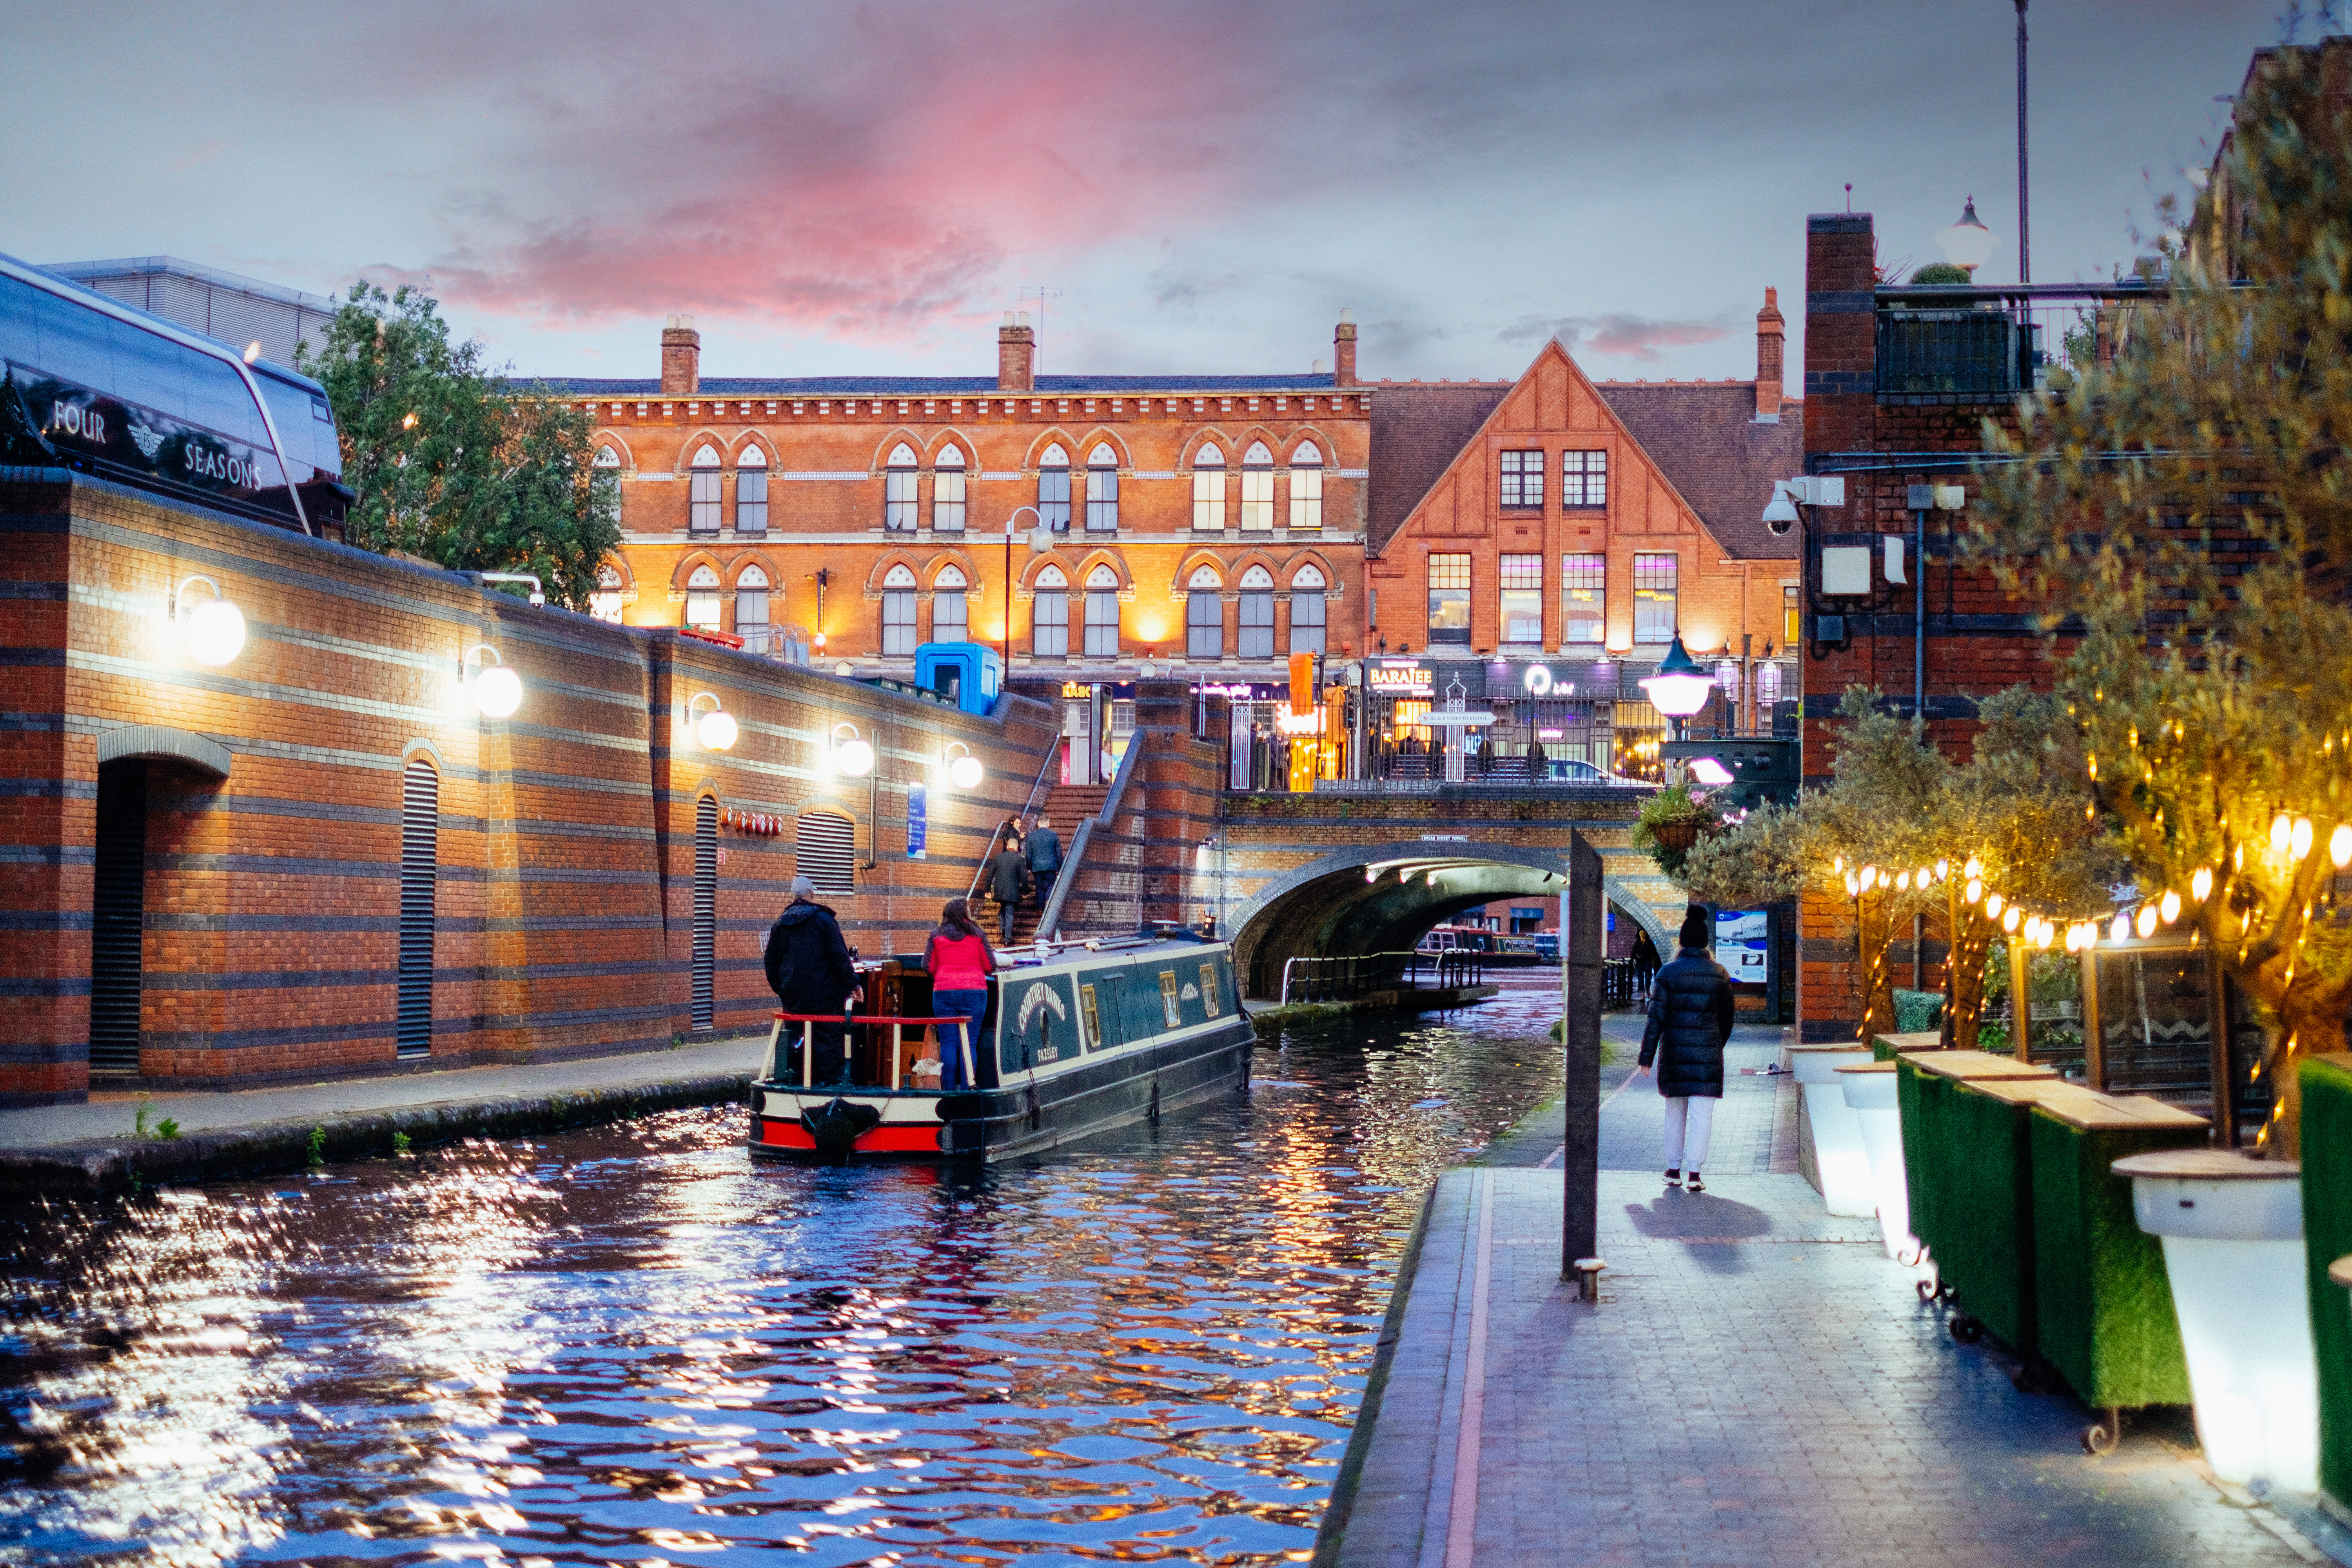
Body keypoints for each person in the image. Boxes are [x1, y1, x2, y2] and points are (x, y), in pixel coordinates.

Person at [1636, 906, 1735, 1192]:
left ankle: (1673, 1169)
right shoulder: (1720, 974)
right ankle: (1695, 1173)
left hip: (1675, 1056)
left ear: (1681, 941)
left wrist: (1646, 1056)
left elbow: (1656, 1018)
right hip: (1707, 1057)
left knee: (1674, 1113)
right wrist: (1715, 1044)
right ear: (1706, 943)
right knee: (1702, 1117)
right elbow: (1728, 1019)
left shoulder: (1667, 974)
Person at [764, 875, 862, 1087]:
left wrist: (782, 988)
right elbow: (839, 957)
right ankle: (830, 1085)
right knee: (828, 1036)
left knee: (796, 1037)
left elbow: (770, 961)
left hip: (793, 997)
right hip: (824, 995)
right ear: (811, 894)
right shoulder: (825, 921)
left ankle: (796, 1080)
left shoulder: (780, 924)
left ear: (793, 896)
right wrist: (853, 984)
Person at [923, 898, 995, 1092]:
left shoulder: (936, 935)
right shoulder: (978, 934)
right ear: (965, 914)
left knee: (948, 1044)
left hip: (944, 992)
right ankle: (967, 1091)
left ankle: (948, 1093)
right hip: (975, 992)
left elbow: (927, 966)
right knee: (969, 1044)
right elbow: (990, 965)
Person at [987, 835, 1031, 944]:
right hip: (1012, 891)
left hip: (999, 890)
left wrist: (987, 890)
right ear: (1017, 847)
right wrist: (1025, 892)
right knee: (1009, 913)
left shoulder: (998, 858)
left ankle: (1003, 929)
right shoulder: (1019, 860)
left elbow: (990, 875)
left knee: (1002, 910)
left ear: (1007, 847)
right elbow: (1024, 877)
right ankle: (1008, 939)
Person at [1024, 813, 1063, 918]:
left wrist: (1029, 867)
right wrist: (1060, 866)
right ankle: (1047, 899)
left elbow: (1029, 854)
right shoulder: (1054, 835)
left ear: (1038, 824)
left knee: (1039, 887)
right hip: (1051, 866)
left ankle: (1040, 909)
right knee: (1051, 885)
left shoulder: (1032, 836)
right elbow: (1059, 853)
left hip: (1037, 867)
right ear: (1049, 824)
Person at [1630, 927, 1662, 999]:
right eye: (1641, 933)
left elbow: (1653, 952)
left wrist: (1644, 955)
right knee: (1640, 978)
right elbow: (1633, 953)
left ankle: (1647, 990)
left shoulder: (1649, 943)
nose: (1642, 935)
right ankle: (1642, 993)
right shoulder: (1638, 943)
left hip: (1647, 962)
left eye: (1643, 933)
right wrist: (1636, 956)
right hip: (1640, 963)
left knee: (1648, 977)